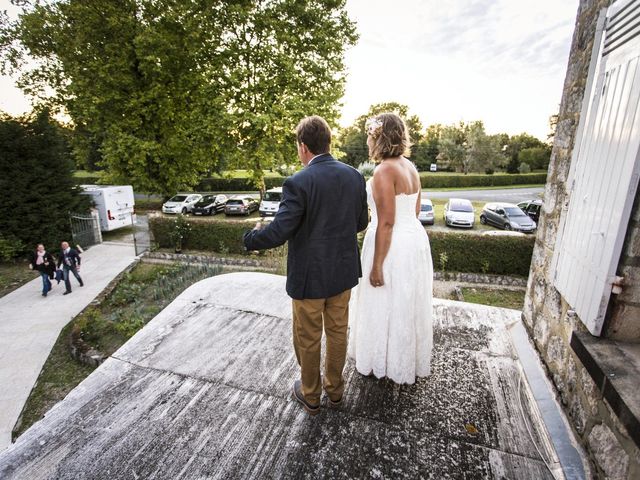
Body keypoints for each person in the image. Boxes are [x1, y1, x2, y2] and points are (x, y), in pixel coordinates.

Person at [243, 115, 368, 415]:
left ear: (303, 147)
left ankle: (311, 396)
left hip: (309, 279)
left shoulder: (298, 182)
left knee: (308, 337)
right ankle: (335, 392)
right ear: (328, 143)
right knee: (338, 332)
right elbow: (361, 222)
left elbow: (280, 231)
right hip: (343, 273)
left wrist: (250, 238)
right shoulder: (354, 176)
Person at [348, 112, 433, 384]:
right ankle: (402, 360)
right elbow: (415, 211)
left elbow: (386, 222)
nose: (367, 140)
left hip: (392, 246)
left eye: (370, 135)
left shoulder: (384, 170)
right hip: (414, 241)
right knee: (404, 303)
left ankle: (380, 362)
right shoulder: (410, 167)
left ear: (380, 137)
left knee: (383, 299)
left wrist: (376, 266)